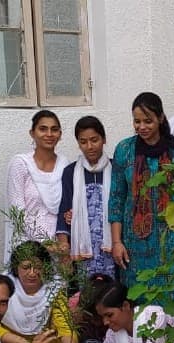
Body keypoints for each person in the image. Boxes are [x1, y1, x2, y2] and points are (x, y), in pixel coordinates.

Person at [108, 92, 174, 311]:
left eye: (148, 121)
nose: (142, 127)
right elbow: (116, 199)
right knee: (139, 307)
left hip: (173, 244)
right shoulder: (124, 151)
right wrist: (117, 243)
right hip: (134, 247)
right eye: (137, 121)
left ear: (161, 118)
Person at [6, 110, 72, 264]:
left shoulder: (65, 164)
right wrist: (46, 243)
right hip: (28, 246)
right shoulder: (20, 164)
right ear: (32, 133)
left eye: (54, 129)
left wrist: (61, 243)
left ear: (60, 134)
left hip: (60, 245)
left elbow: (68, 205)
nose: (49, 134)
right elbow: (18, 213)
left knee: (59, 287)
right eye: (43, 129)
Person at [56, 116, 116, 277]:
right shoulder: (71, 172)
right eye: (83, 142)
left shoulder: (117, 167)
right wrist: (63, 248)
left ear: (104, 139)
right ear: (78, 144)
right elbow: (64, 210)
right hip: (83, 249)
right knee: (85, 295)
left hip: (112, 248)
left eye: (94, 140)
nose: (89, 146)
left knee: (113, 295)